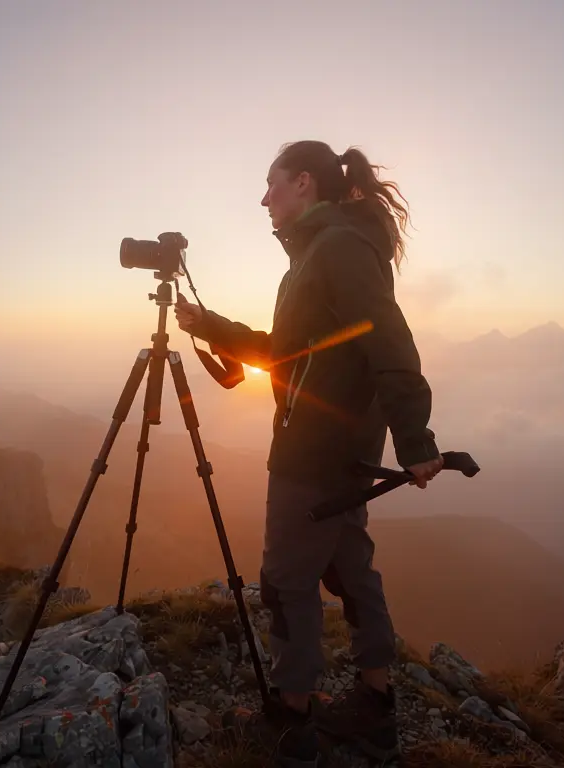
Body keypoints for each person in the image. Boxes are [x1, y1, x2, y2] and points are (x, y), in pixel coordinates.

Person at [175, 140, 443, 766]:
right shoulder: (318, 254)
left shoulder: (337, 248)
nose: (263, 199)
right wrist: (210, 326)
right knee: (353, 572)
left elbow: (389, 336)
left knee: (287, 581)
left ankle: (292, 721)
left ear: (302, 183)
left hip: (312, 455)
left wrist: (417, 438)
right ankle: (376, 710)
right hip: (341, 451)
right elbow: (289, 352)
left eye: (271, 185)